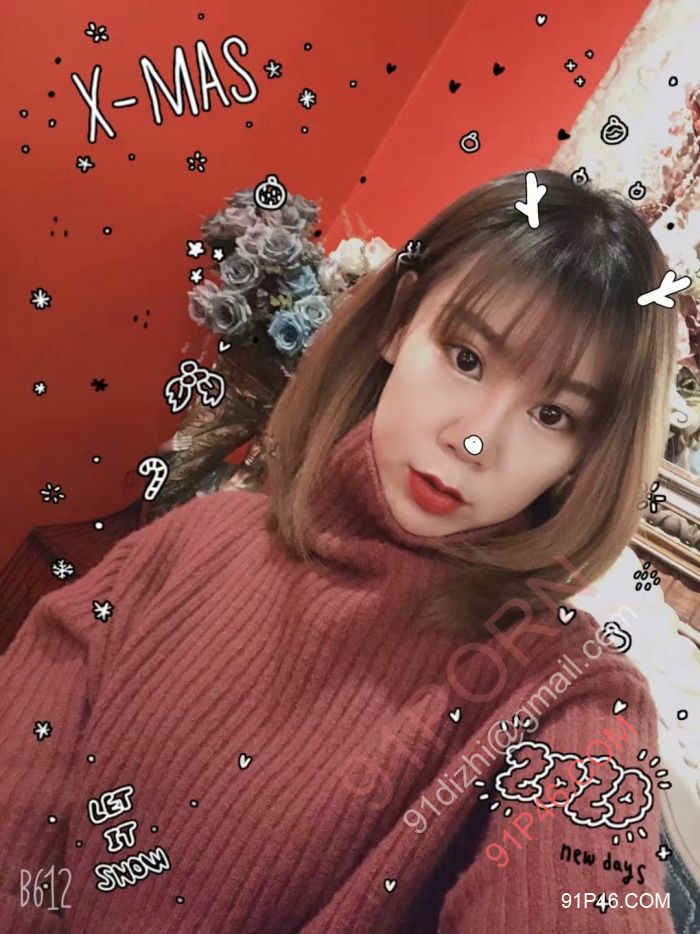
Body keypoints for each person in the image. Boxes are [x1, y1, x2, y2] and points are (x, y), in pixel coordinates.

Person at [0, 169, 680, 932]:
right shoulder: (190, 543)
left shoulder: (567, 694)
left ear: (587, 456)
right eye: (466, 358)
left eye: (552, 414)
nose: (476, 441)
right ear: (400, 322)